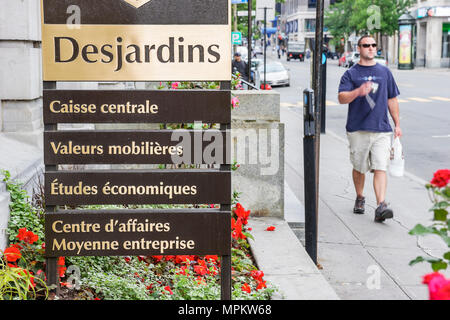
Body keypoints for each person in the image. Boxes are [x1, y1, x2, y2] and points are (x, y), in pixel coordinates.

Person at [337, 34, 402, 223]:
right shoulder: (351, 74)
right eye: (366, 45)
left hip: (381, 128)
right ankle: (360, 196)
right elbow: (342, 98)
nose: (371, 48)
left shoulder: (385, 72)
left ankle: (381, 205)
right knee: (359, 167)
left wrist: (397, 124)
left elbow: (392, 99)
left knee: (381, 166)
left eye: (373, 45)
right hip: (358, 128)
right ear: (359, 48)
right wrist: (358, 91)